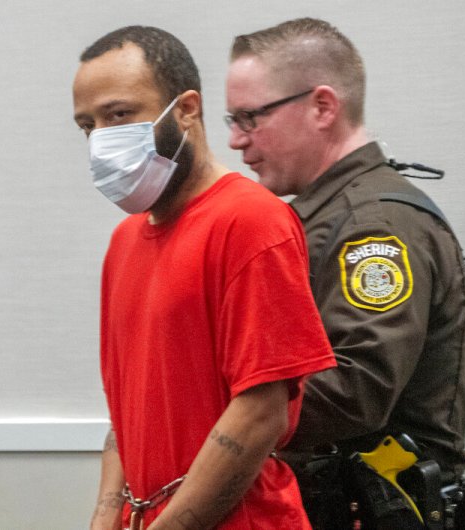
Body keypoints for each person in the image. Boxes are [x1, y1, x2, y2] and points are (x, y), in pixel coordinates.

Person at [72, 26, 337, 530]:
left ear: (187, 108)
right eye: (88, 125)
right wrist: (107, 516)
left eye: (119, 114)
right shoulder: (123, 242)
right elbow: (129, 414)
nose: (101, 139)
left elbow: (261, 413)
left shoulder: (253, 221)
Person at [225, 18, 465, 528]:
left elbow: (354, 388)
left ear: (322, 107)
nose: (235, 140)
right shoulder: (328, 217)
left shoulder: (372, 228)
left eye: (250, 117)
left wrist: (221, 411)